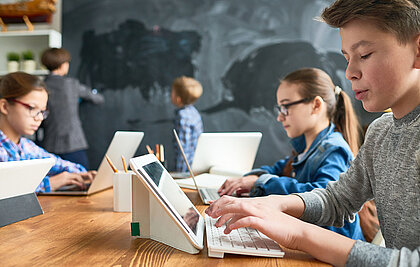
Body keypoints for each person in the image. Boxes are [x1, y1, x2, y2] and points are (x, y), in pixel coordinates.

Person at [206, 0, 420, 266]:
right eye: (347, 58)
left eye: (364, 55)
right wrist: (276, 204)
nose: (350, 72)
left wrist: (297, 233)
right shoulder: (381, 131)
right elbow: (337, 200)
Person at [218, 67, 364, 240]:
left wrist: (261, 182)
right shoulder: (306, 147)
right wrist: (253, 179)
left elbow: (323, 197)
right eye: (279, 108)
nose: (280, 117)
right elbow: (277, 169)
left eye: (286, 107)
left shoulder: (333, 149)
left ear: (316, 105)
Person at [0, 72, 96, 193]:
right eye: (32, 108)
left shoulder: (26, 146)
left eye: (42, 111)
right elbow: (6, 191)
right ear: (4, 106)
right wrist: (50, 183)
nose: (39, 118)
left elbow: (59, 165)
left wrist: (84, 175)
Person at [40, 48, 104, 169]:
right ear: (62, 64)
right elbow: (97, 98)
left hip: (49, 143)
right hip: (74, 143)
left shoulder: (41, 85)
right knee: (83, 179)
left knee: (54, 183)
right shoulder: (71, 84)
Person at [171, 76, 203, 172]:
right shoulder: (194, 112)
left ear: (178, 98)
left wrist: (180, 174)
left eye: (172, 92)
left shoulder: (183, 117)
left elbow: (183, 149)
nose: (170, 95)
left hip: (186, 170)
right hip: (195, 166)